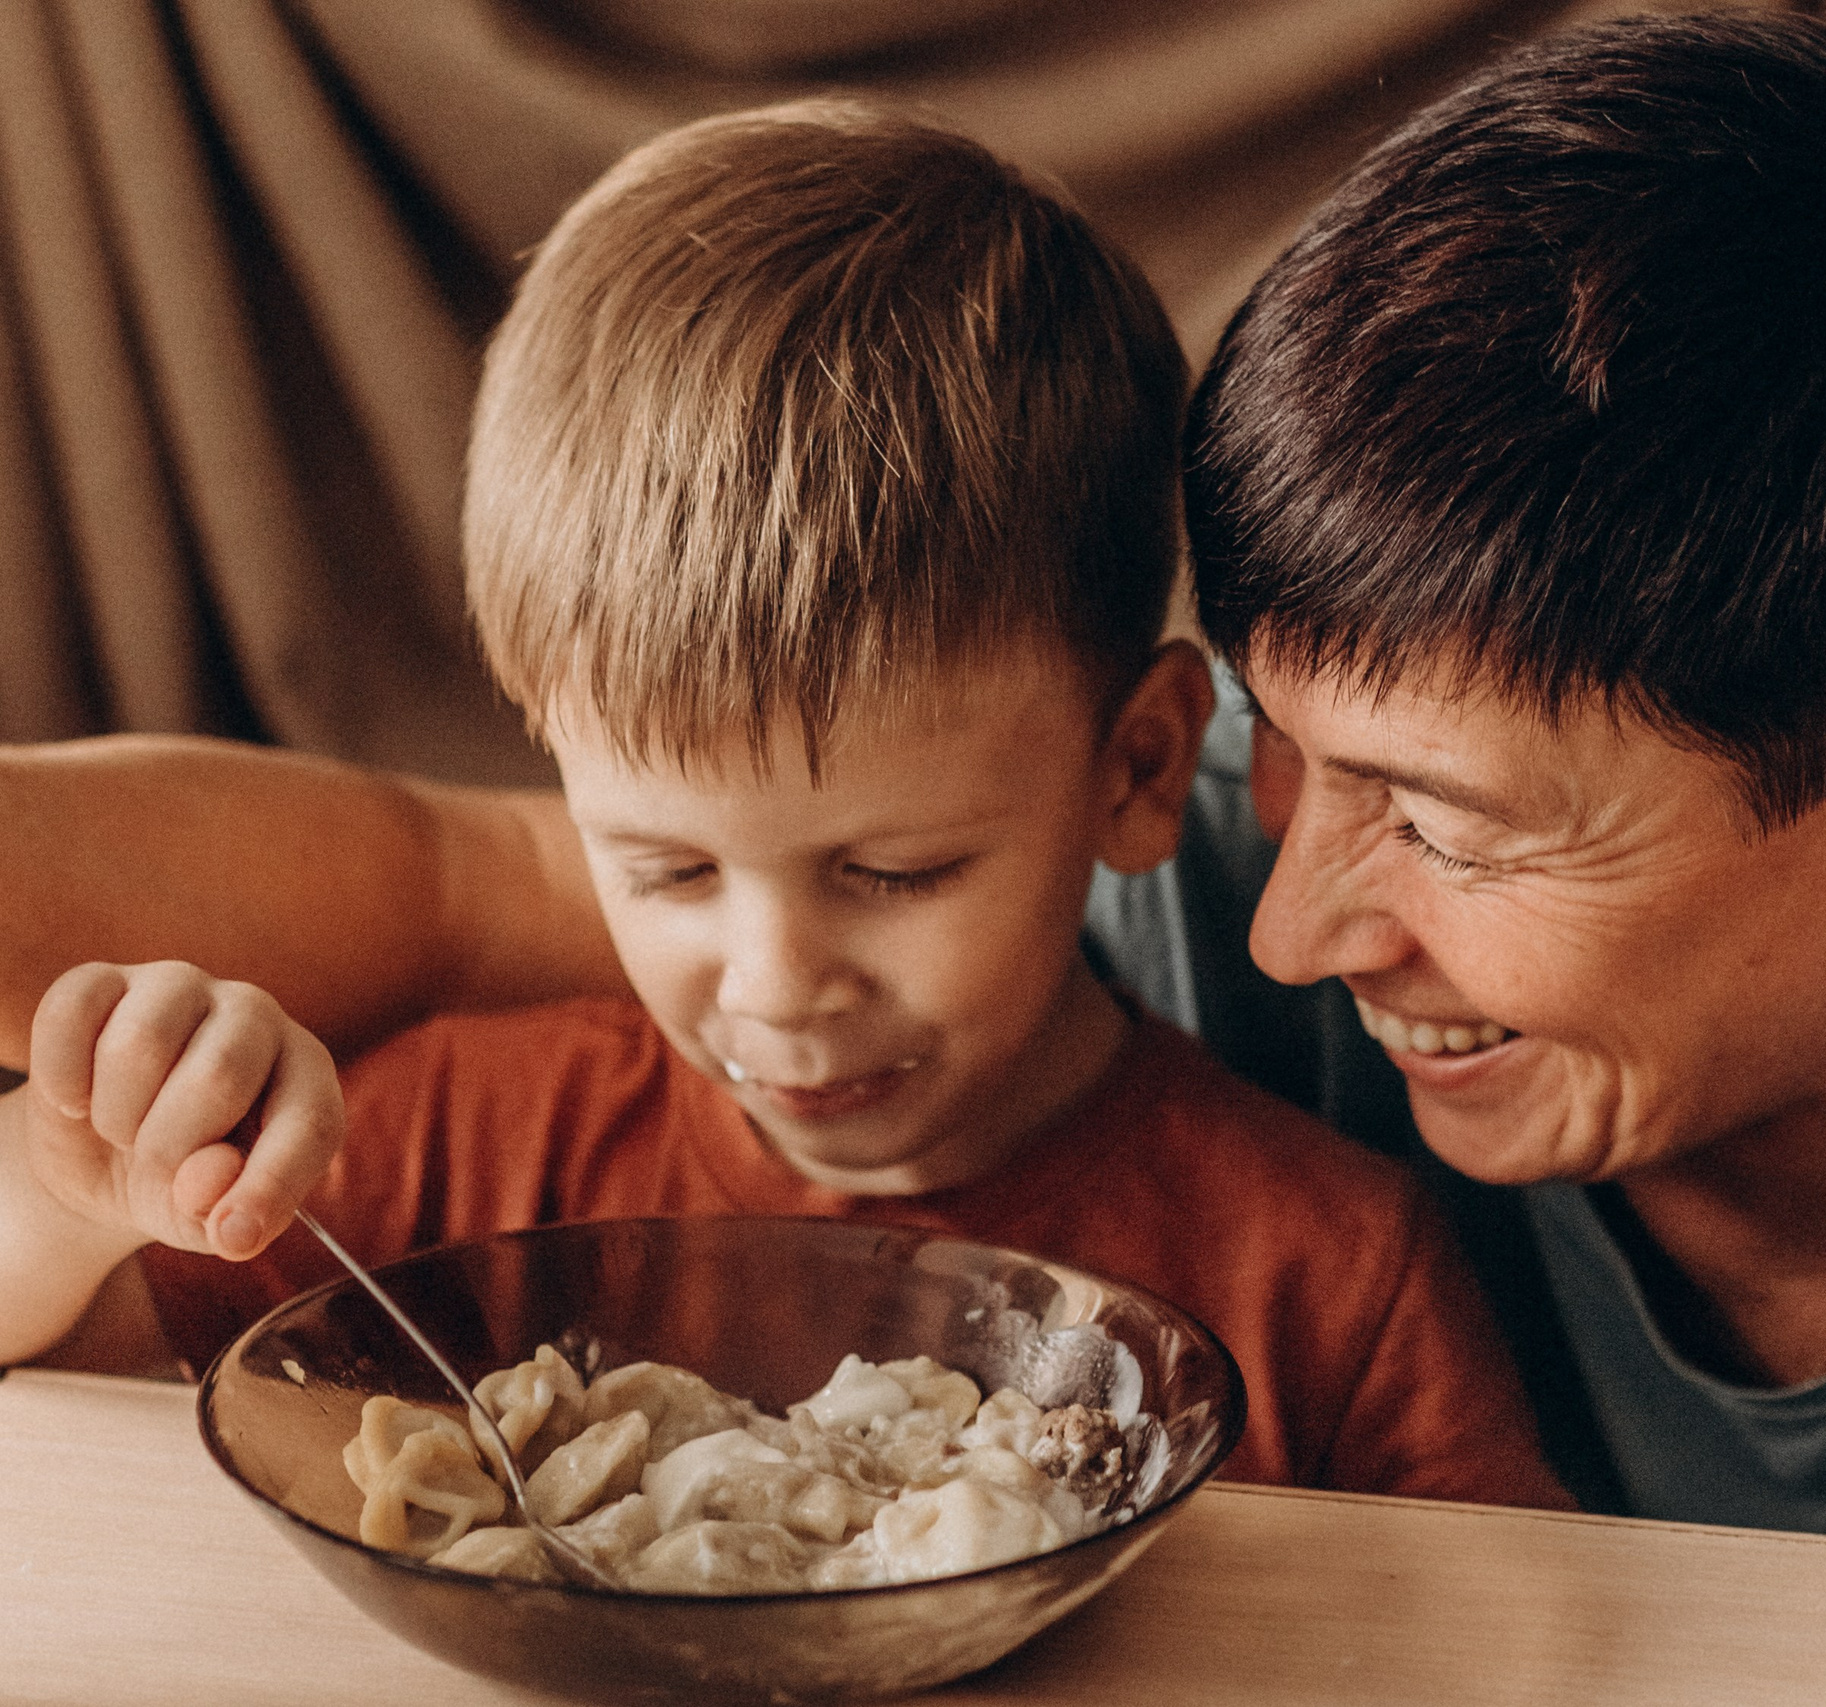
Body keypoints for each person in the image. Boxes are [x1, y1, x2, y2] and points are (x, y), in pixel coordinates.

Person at [5, 14, 1826, 1591]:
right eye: (1280, 748)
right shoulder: (1122, 835)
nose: (1293, 915)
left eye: (1442, 824)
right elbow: (460, 876)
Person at [0, 99, 1572, 1512]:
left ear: (1141, 769)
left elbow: (1540, 1655)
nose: (772, 987)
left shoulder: (1323, 1278)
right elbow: (61, 1348)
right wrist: (82, 1194)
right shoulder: (462, 1152)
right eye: (668, 868)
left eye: (894, 872)